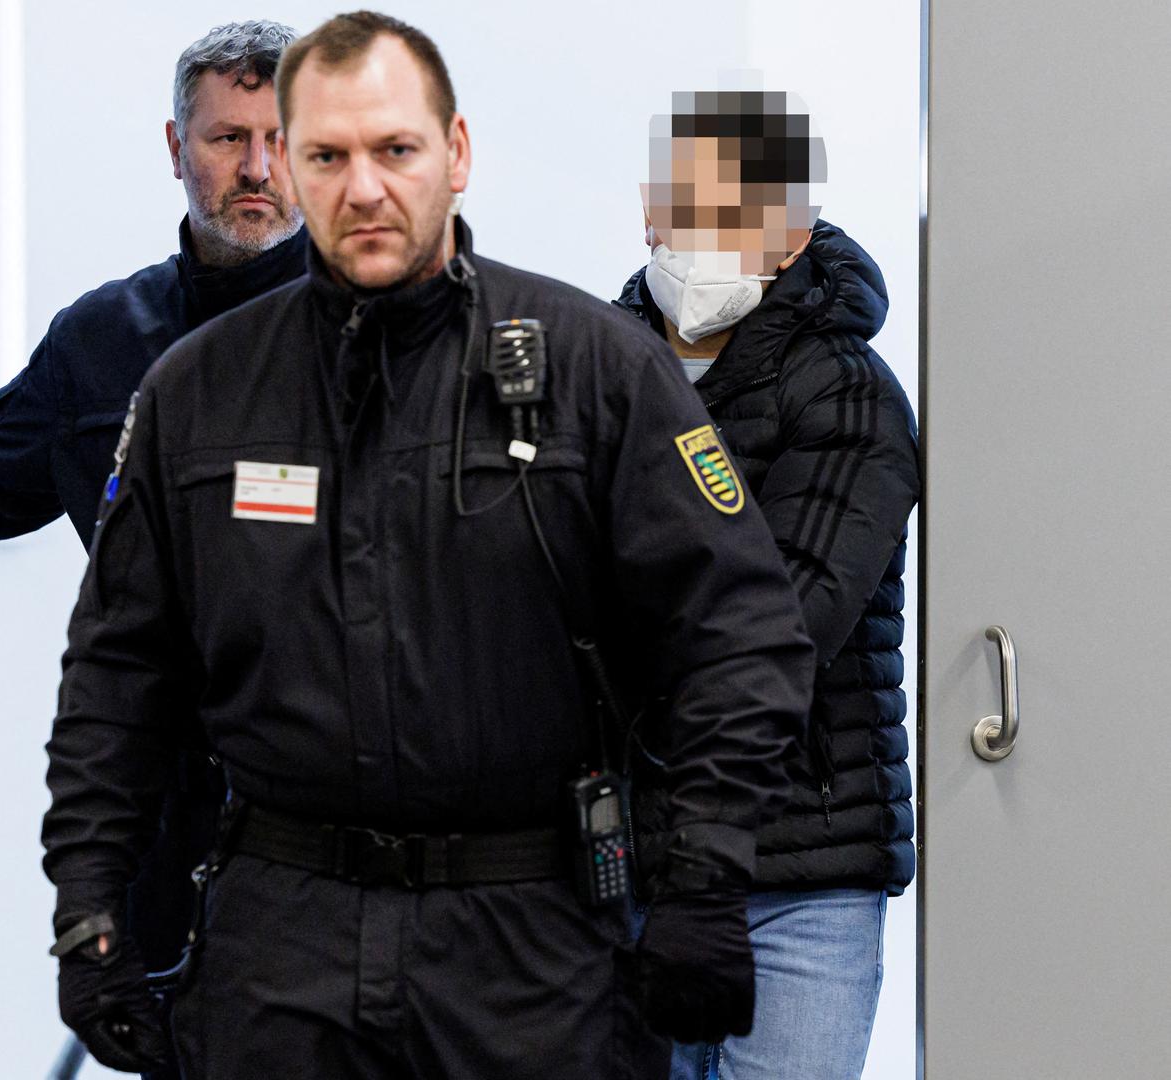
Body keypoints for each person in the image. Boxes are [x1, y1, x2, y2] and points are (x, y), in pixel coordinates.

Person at [43, 13, 817, 1078]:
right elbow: (116, 673)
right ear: (295, 163)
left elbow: (741, 639)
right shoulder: (199, 392)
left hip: (528, 946)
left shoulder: (596, 369)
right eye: (326, 155)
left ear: (456, 152)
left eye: (394, 150)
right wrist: (88, 906)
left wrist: (703, 882)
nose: (363, 187)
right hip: (281, 945)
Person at [0, 19, 305, 1075]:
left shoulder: (384, 328)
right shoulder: (104, 340)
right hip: (158, 826)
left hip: (330, 829)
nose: (257, 169)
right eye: (229, 139)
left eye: (281, 138)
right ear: (177, 149)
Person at [614, 90, 920, 1080]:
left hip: (803, 867)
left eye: (730, 210)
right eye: (681, 208)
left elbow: (788, 623)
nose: (696, 235)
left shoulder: (850, 390)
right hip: (630, 862)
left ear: (789, 228)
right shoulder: (598, 377)